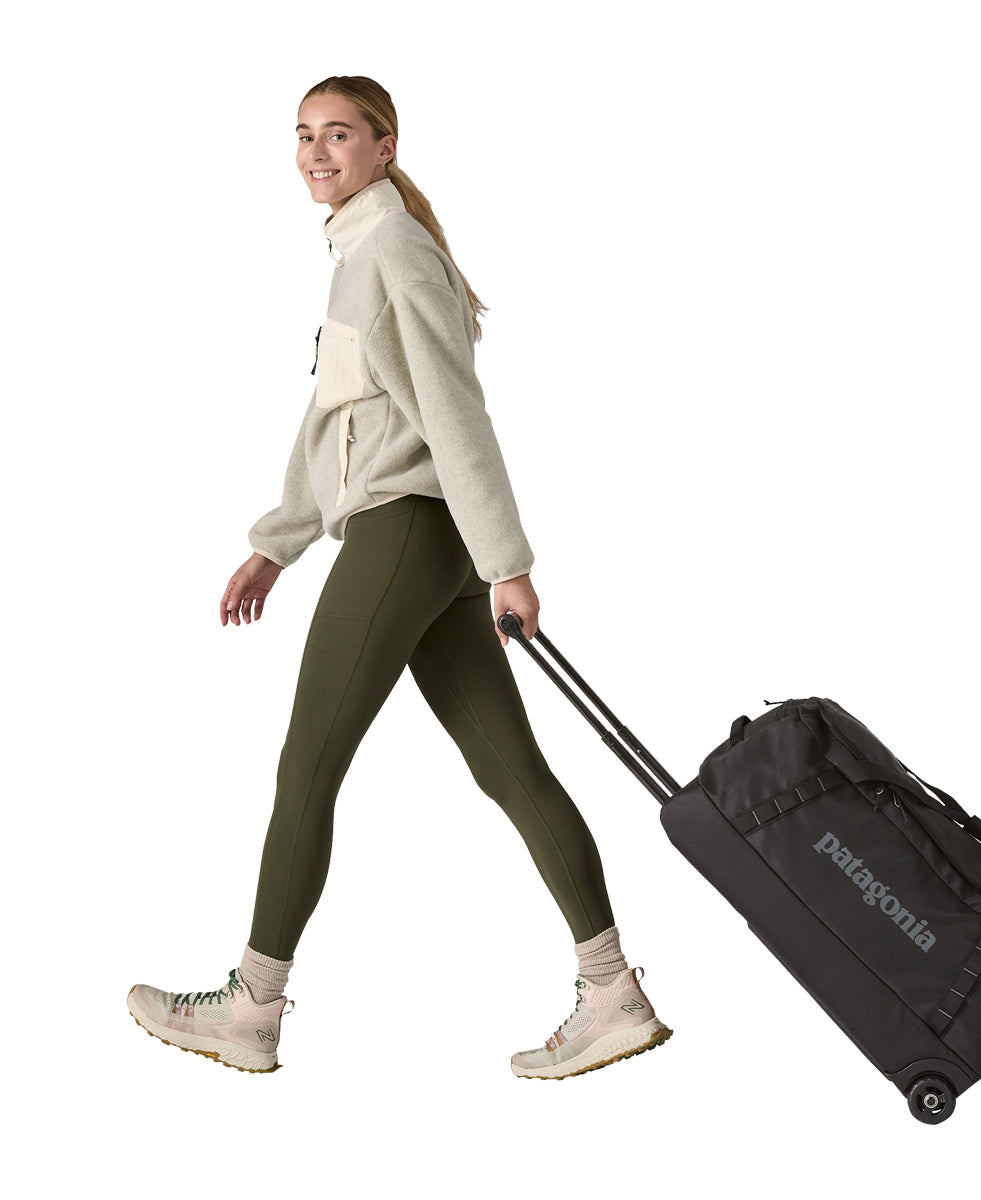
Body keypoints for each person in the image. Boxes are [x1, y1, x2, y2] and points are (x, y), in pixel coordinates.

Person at [126, 75, 671, 1080]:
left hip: (408, 535)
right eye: (303, 134)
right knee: (510, 769)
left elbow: (455, 417)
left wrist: (510, 565)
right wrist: (278, 542)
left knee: (308, 767)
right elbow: (338, 422)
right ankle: (613, 995)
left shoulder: (394, 253)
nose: (315, 152)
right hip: (424, 537)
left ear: (384, 147)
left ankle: (251, 1010)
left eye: (338, 134)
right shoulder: (360, 254)